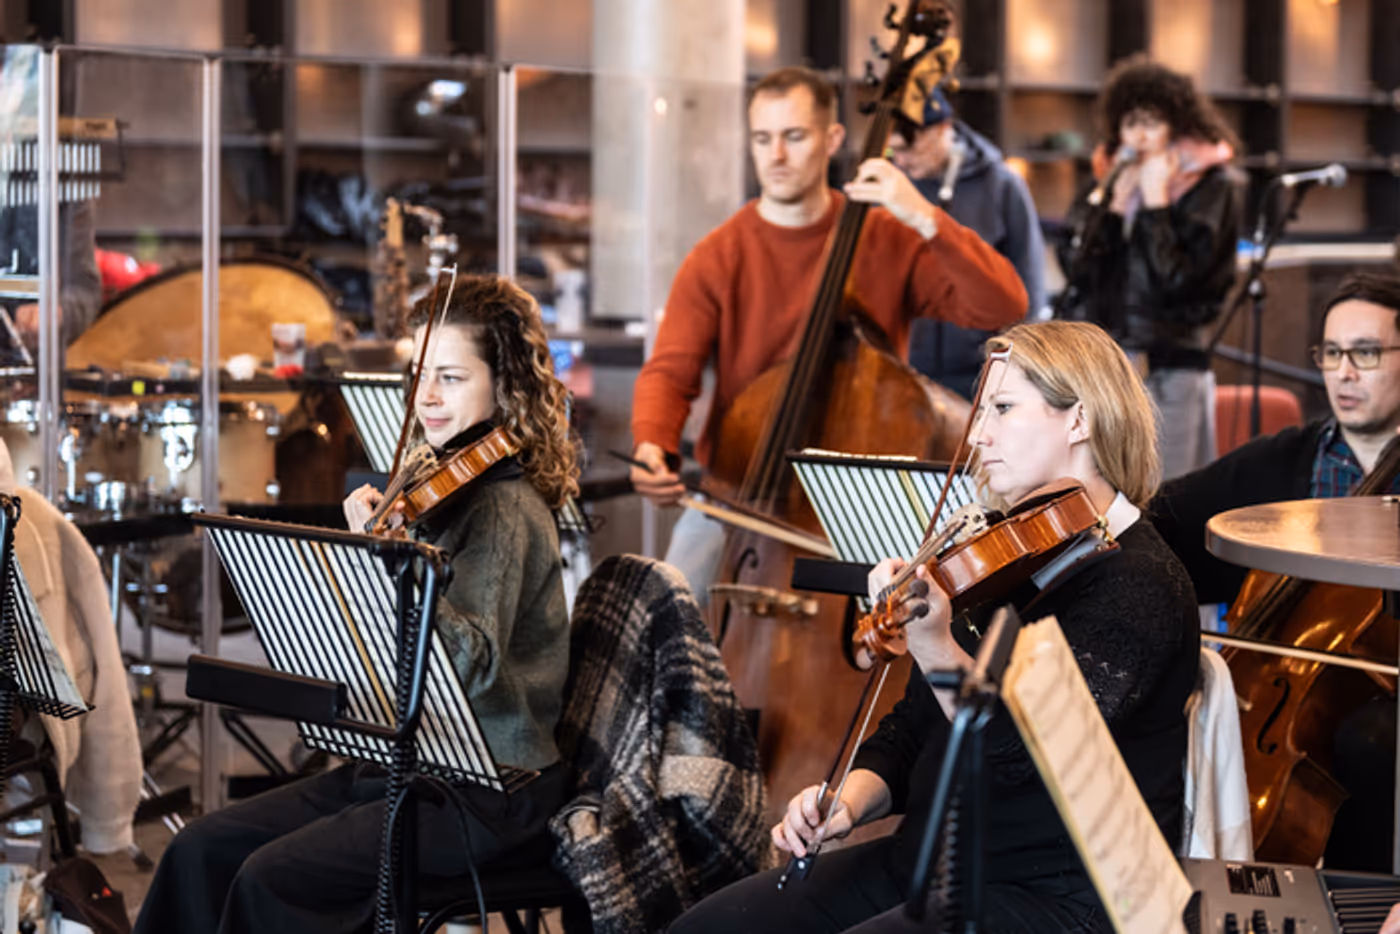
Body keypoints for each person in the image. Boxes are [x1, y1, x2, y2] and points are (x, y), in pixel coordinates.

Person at [669, 320, 1201, 934]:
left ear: (1078, 420)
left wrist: (936, 646)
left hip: (1060, 893)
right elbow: (914, 726)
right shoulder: (1009, 550)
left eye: (1002, 408)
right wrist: (847, 801)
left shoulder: (1141, 582)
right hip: (931, 860)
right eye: (981, 410)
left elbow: (1028, 759)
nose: (977, 433)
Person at [133, 274, 579, 933]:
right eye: (420, 373)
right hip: (411, 764)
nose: (426, 396)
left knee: (270, 878)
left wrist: (398, 565)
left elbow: (472, 660)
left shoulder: (504, 507)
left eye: (451, 378)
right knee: (199, 848)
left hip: (487, 792)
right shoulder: (441, 484)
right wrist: (367, 560)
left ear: (504, 384)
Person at [630, 65, 1028, 598]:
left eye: (793, 137)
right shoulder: (718, 255)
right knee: (665, 610)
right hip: (743, 494)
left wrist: (924, 216)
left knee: (924, 637)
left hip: (859, 503)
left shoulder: (884, 236)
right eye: (762, 139)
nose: (776, 155)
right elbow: (670, 370)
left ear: (832, 138)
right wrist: (653, 444)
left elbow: (1002, 303)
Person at [1150, 269, 1400, 872]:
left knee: (1370, 744)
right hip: (1277, 689)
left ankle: (1364, 897)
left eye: (1365, 352)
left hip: (1380, 694)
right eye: (1332, 353)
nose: (1343, 372)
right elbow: (1160, 526)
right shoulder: (1286, 459)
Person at [1056, 55, 1241, 480]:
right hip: (1105, 366)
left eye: (1152, 122)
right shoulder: (1108, 179)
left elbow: (1182, 282)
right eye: (1130, 122)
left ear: (1177, 126)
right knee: (1102, 488)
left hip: (1170, 362)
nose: (1139, 135)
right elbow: (1077, 272)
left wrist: (1156, 205)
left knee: (1169, 493)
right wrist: (1114, 209)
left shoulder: (1210, 186)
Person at [889, 86, 1048, 400]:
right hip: (903, 370)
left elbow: (1029, 279)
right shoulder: (892, 186)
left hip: (979, 373)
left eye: (910, 148)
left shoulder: (1002, 185)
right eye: (894, 152)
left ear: (943, 130)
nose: (902, 161)